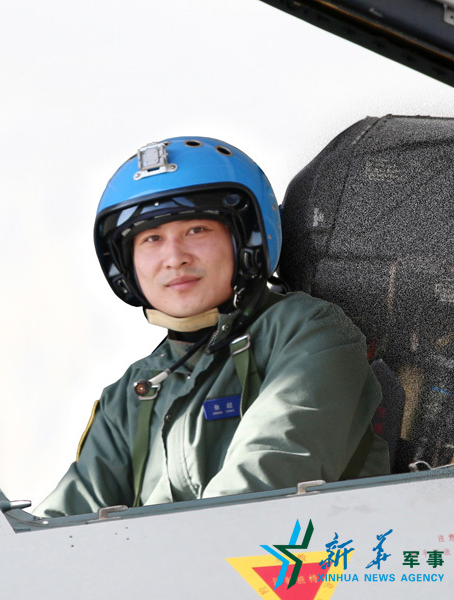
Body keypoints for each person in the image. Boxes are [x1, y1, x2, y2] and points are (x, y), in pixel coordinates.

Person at [36, 137, 390, 517]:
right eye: (152, 238)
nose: (174, 257)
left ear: (247, 242)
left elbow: (258, 490)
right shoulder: (131, 395)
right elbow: (63, 527)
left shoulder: (310, 333)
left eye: (196, 230)